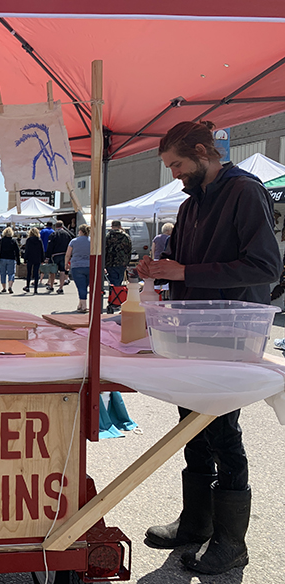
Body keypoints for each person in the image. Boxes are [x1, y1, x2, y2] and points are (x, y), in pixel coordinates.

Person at [137, 120, 280, 575]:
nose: (175, 173)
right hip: (191, 332)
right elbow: (181, 264)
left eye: (177, 164)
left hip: (230, 334)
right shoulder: (190, 204)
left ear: (203, 151)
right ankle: (196, 523)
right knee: (191, 427)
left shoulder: (245, 192)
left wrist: (182, 274)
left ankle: (230, 542)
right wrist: (158, 267)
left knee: (221, 431)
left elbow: (264, 268)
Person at [65, 224, 91, 313]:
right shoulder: (92, 241)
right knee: (85, 286)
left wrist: (66, 263)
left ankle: (84, 305)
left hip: (77, 265)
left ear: (80, 231)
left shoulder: (74, 241)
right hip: (89, 265)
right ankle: (80, 304)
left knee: (80, 286)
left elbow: (68, 254)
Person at [45, 221, 73, 293]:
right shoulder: (67, 234)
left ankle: (51, 286)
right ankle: (61, 287)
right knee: (62, 271)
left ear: (55, 226)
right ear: (62, 226)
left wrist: (47, 256)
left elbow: (50, 246)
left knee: (52, 271)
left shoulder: (53, 234)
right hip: (64, 255)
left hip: (54, 255)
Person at [104, 220, 132, 288]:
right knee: (119, 281)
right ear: (120, 226)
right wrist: (127, 262)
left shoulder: (107, 236)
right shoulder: (125, 236)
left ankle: (113, 295)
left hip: (110, 263)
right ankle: (116, 295)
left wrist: (104, 264)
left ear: (111, 226)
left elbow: (104, 250)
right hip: (121, 263)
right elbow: (129, 250)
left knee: (112, 282)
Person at [0, 226, 19, 293]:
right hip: (11, 258)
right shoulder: (13, 241)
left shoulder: (1, 241)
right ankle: (10, 286)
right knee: (11, 273)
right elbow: (17, 251)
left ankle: (4, 287)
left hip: (2, 258)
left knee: (3, 273)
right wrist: (18, 260)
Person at [22, 227, 45, 294]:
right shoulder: (39, 240)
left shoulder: (29, 240)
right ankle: (35, 289)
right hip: (37, 258)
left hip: (30, 258)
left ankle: (28, 287)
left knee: (29, 273)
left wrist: (25, 259)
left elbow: (27, 250)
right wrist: (42, 259)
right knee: (36, 273)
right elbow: (42, 250)